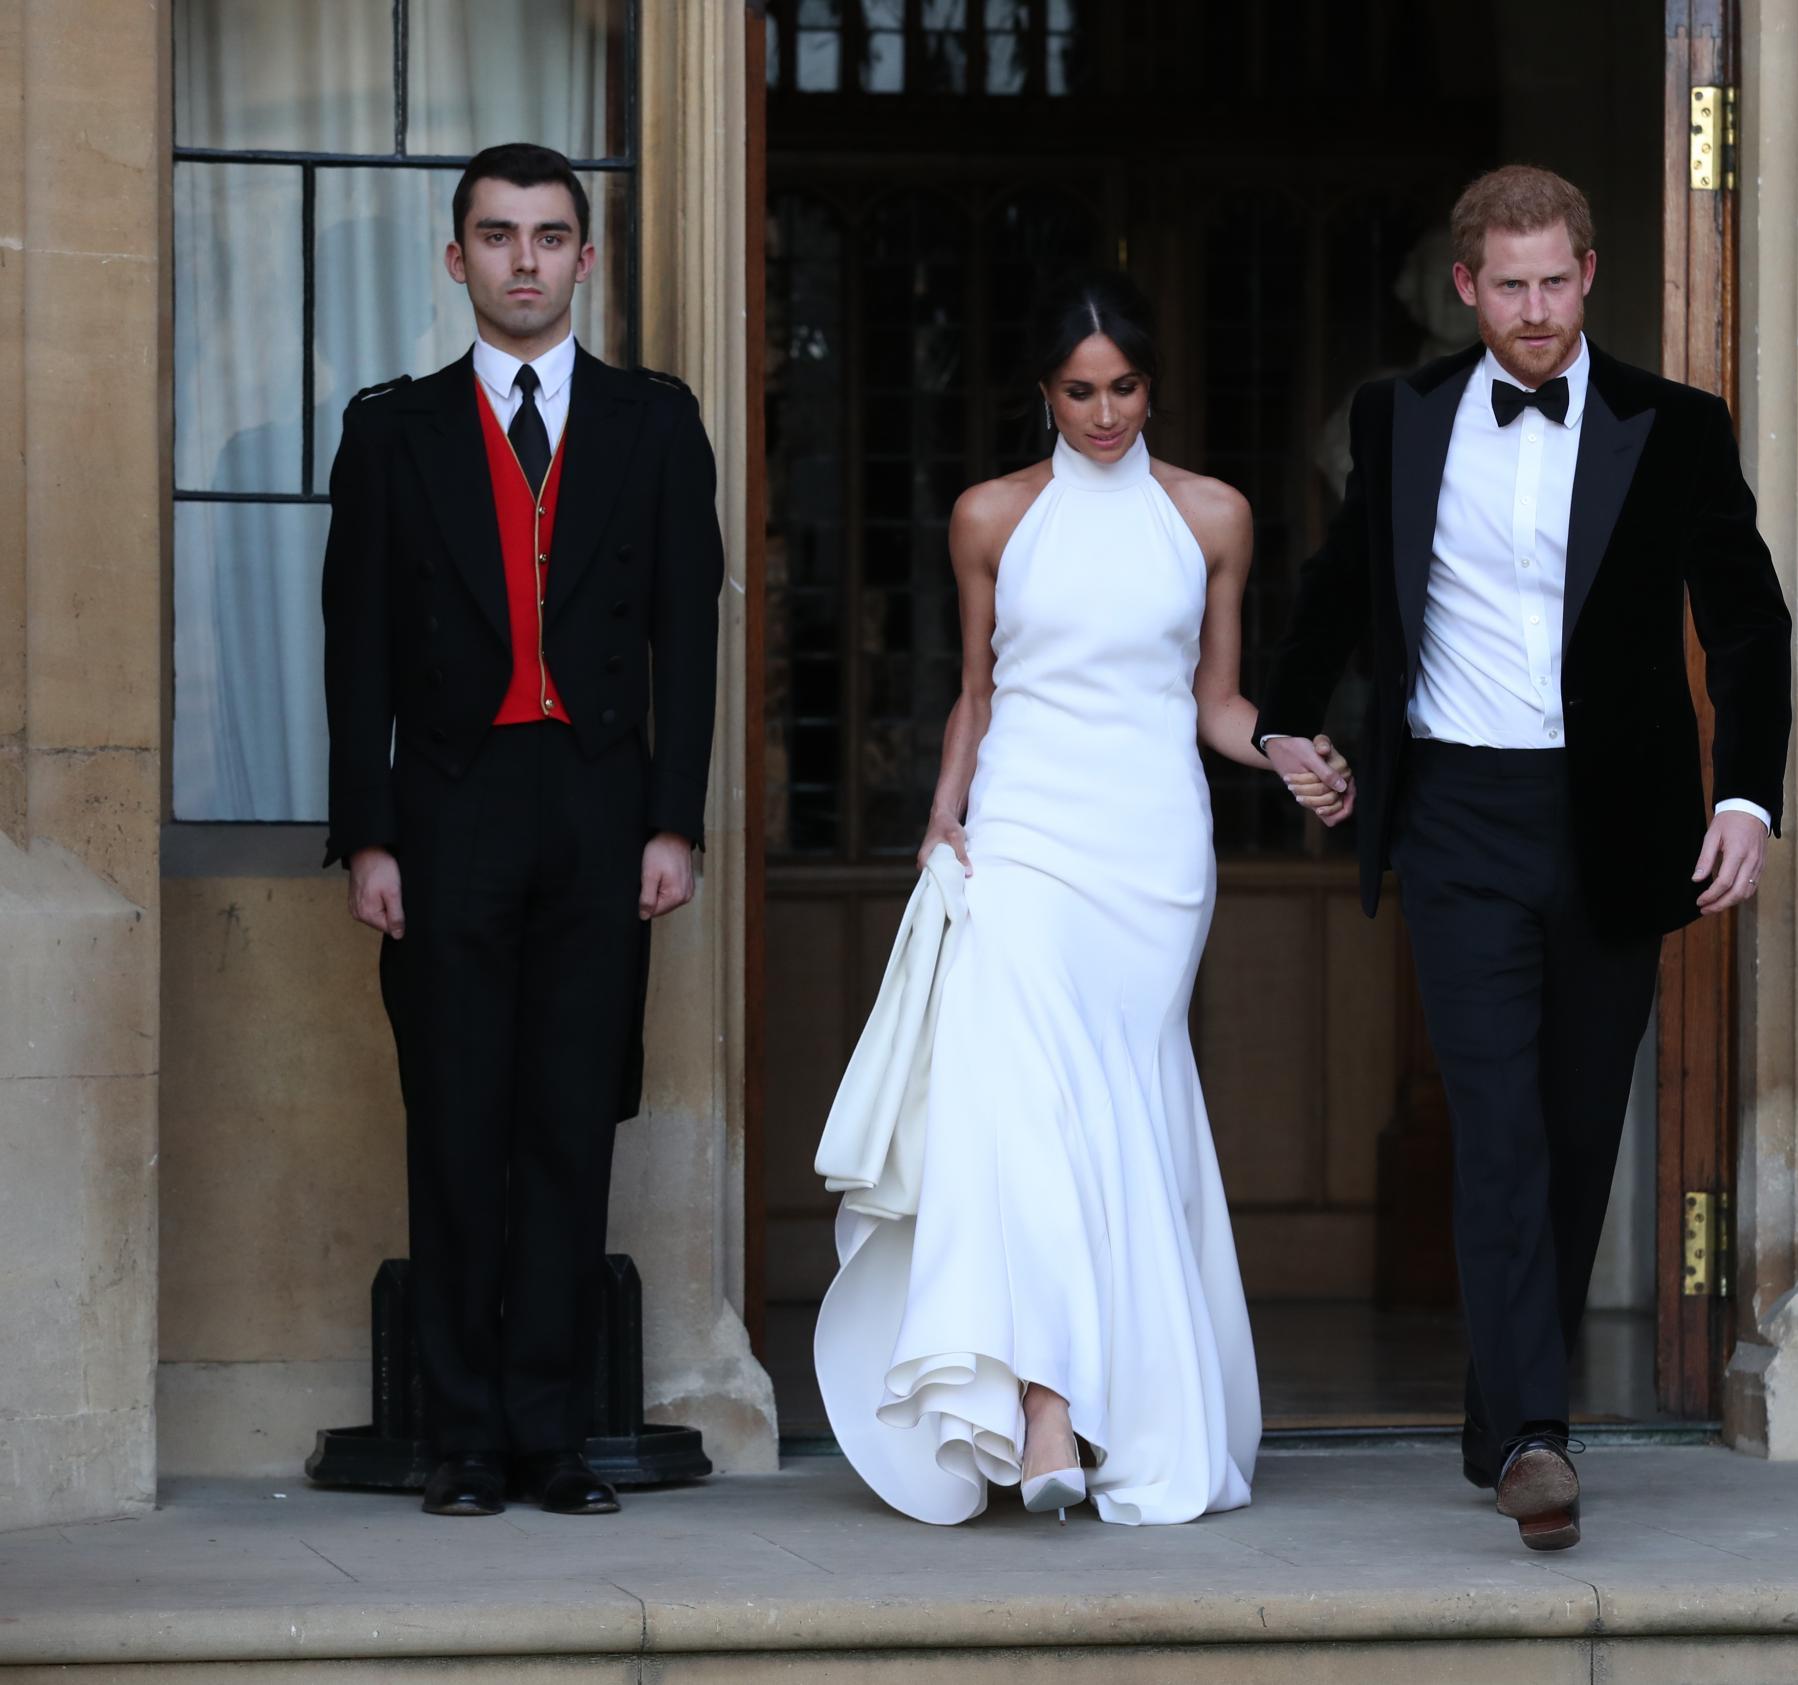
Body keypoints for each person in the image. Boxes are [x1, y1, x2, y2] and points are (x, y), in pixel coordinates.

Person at [1255, 166, 1793, 1552]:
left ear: (1591, 276)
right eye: (1512, 285)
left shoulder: (1673, 428)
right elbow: (1342, 590)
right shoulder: (1400, 415)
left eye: (1558, 282)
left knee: (1570, 1133)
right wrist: (1281, 723)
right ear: (1467, 288)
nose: (1538, 309)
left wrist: (1746, 799)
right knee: (1493, 1128)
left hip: (1617, 826)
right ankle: (1542, 1437)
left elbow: (1747, 624)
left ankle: (1506, 1412)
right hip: (1457, 820)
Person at [812, 272, 1272, 1527]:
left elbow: (1216, 702)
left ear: (1152, 384)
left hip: (1151, 851)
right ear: (1043, 391)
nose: (1105, 411)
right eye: (1080, 390)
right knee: (1015, 1101)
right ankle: (1046, 1404)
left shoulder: (1214, 515)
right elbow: (979, 688)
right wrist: (944, 812)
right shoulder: (989, 518)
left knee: (1118, 1112)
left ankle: (1114, 1401)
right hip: (1020, 833)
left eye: (1124, 386)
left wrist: (1280, 748)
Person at [321, 142, 724, 1518]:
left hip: (601, 805)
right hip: (447, 807)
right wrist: (366, 834)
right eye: (498, 236)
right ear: (458, 260)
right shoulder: (393, 430)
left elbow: (690, 636)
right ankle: (460, 1437)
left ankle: (550, 1434)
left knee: (568, 1118)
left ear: (586, 258)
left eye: (551, 236)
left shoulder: (655, 425)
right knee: (454, 1120)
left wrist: (677, 820)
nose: (526, 260)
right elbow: (354, 650)